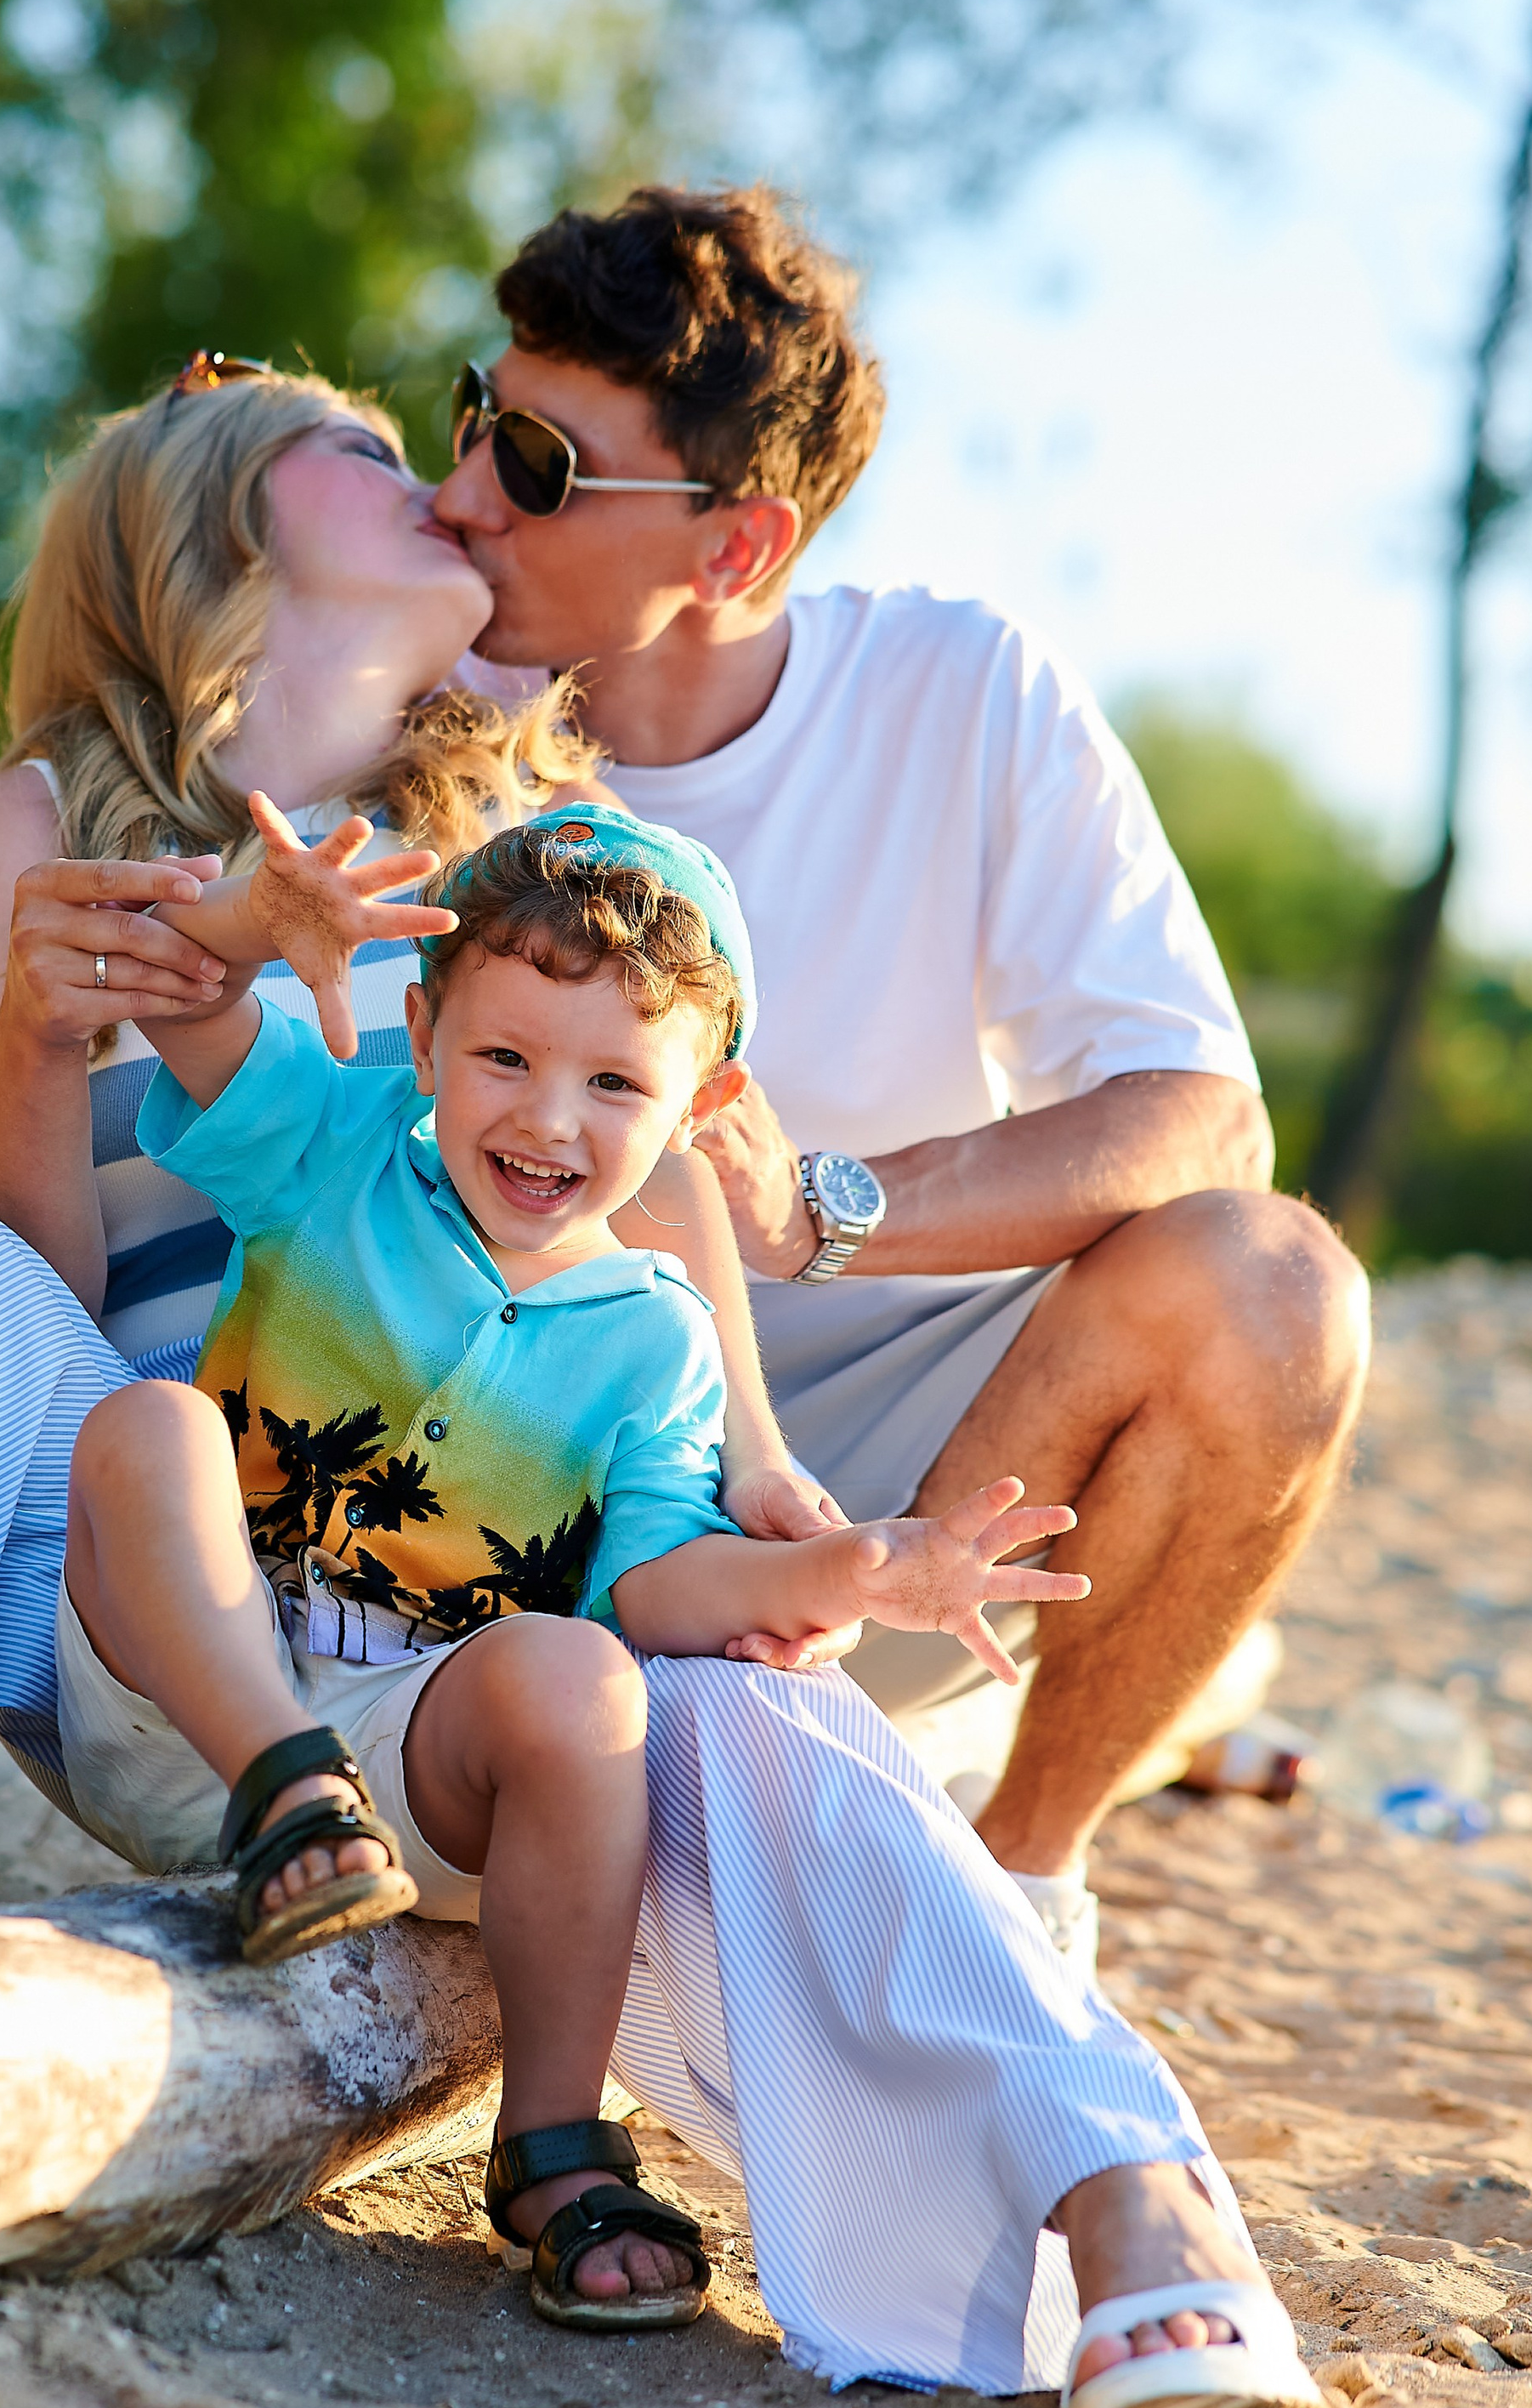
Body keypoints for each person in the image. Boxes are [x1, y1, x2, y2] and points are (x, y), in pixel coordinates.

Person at [0, 355, 1326, 2408]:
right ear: (212, 517)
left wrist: (757, 1462)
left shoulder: (515, 852)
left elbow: (646, 1178)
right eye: (371, 450)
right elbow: (14, 1294)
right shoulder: (22, 835)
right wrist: (45, 1030)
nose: (453, 480)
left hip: (463, 1601)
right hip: (149, 1560)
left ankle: (1115, 2201)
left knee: (734, 1696)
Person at [425, 185, 1373, 1963]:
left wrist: (817, 1212)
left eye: (539, 465)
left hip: (885, 1481)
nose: (463, 490)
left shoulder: (961, 689)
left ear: (735, 548)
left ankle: (1019, 1882)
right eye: (475, 413)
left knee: (1273, 1287)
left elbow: (1200, 1112)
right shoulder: (399, 680)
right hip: (502, 1478)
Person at [58, 796, 1087, 2329]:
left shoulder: (659, 1341)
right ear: (422, 1037)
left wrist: (852, 1573)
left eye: (614, 1081)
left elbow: (659, 1585)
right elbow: (183, 991)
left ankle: (551, 2141)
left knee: (584, 1673)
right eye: (505, 1057)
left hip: (407, 1768)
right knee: (150, 1424)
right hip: (176, 1702)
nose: (550, 1120)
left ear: (700, 1106)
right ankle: (282, 1787)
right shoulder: (335, 1139)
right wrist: (248, 922)